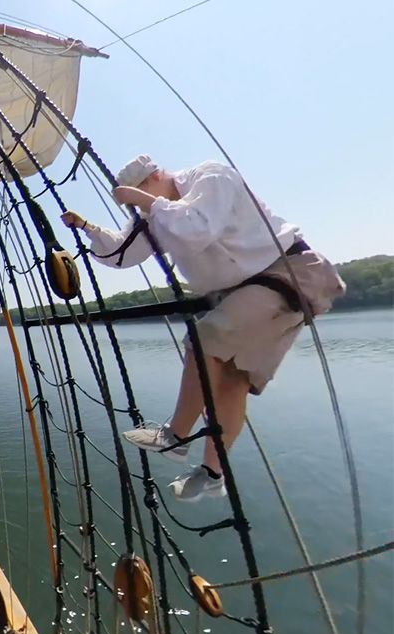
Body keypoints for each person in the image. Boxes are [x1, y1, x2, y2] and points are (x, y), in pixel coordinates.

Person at [62, 154, 345, 501]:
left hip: (290, 273)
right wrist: (86, 227)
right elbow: (122, 252)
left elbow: (198, 227)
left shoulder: (210, 177)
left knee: (203, 337)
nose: (145, 212)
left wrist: (144, 202)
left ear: (154, 177)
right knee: (231, 381)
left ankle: (176, 435)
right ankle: (212, 475)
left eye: (141, 196)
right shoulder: (161, 213)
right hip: (246, 293)